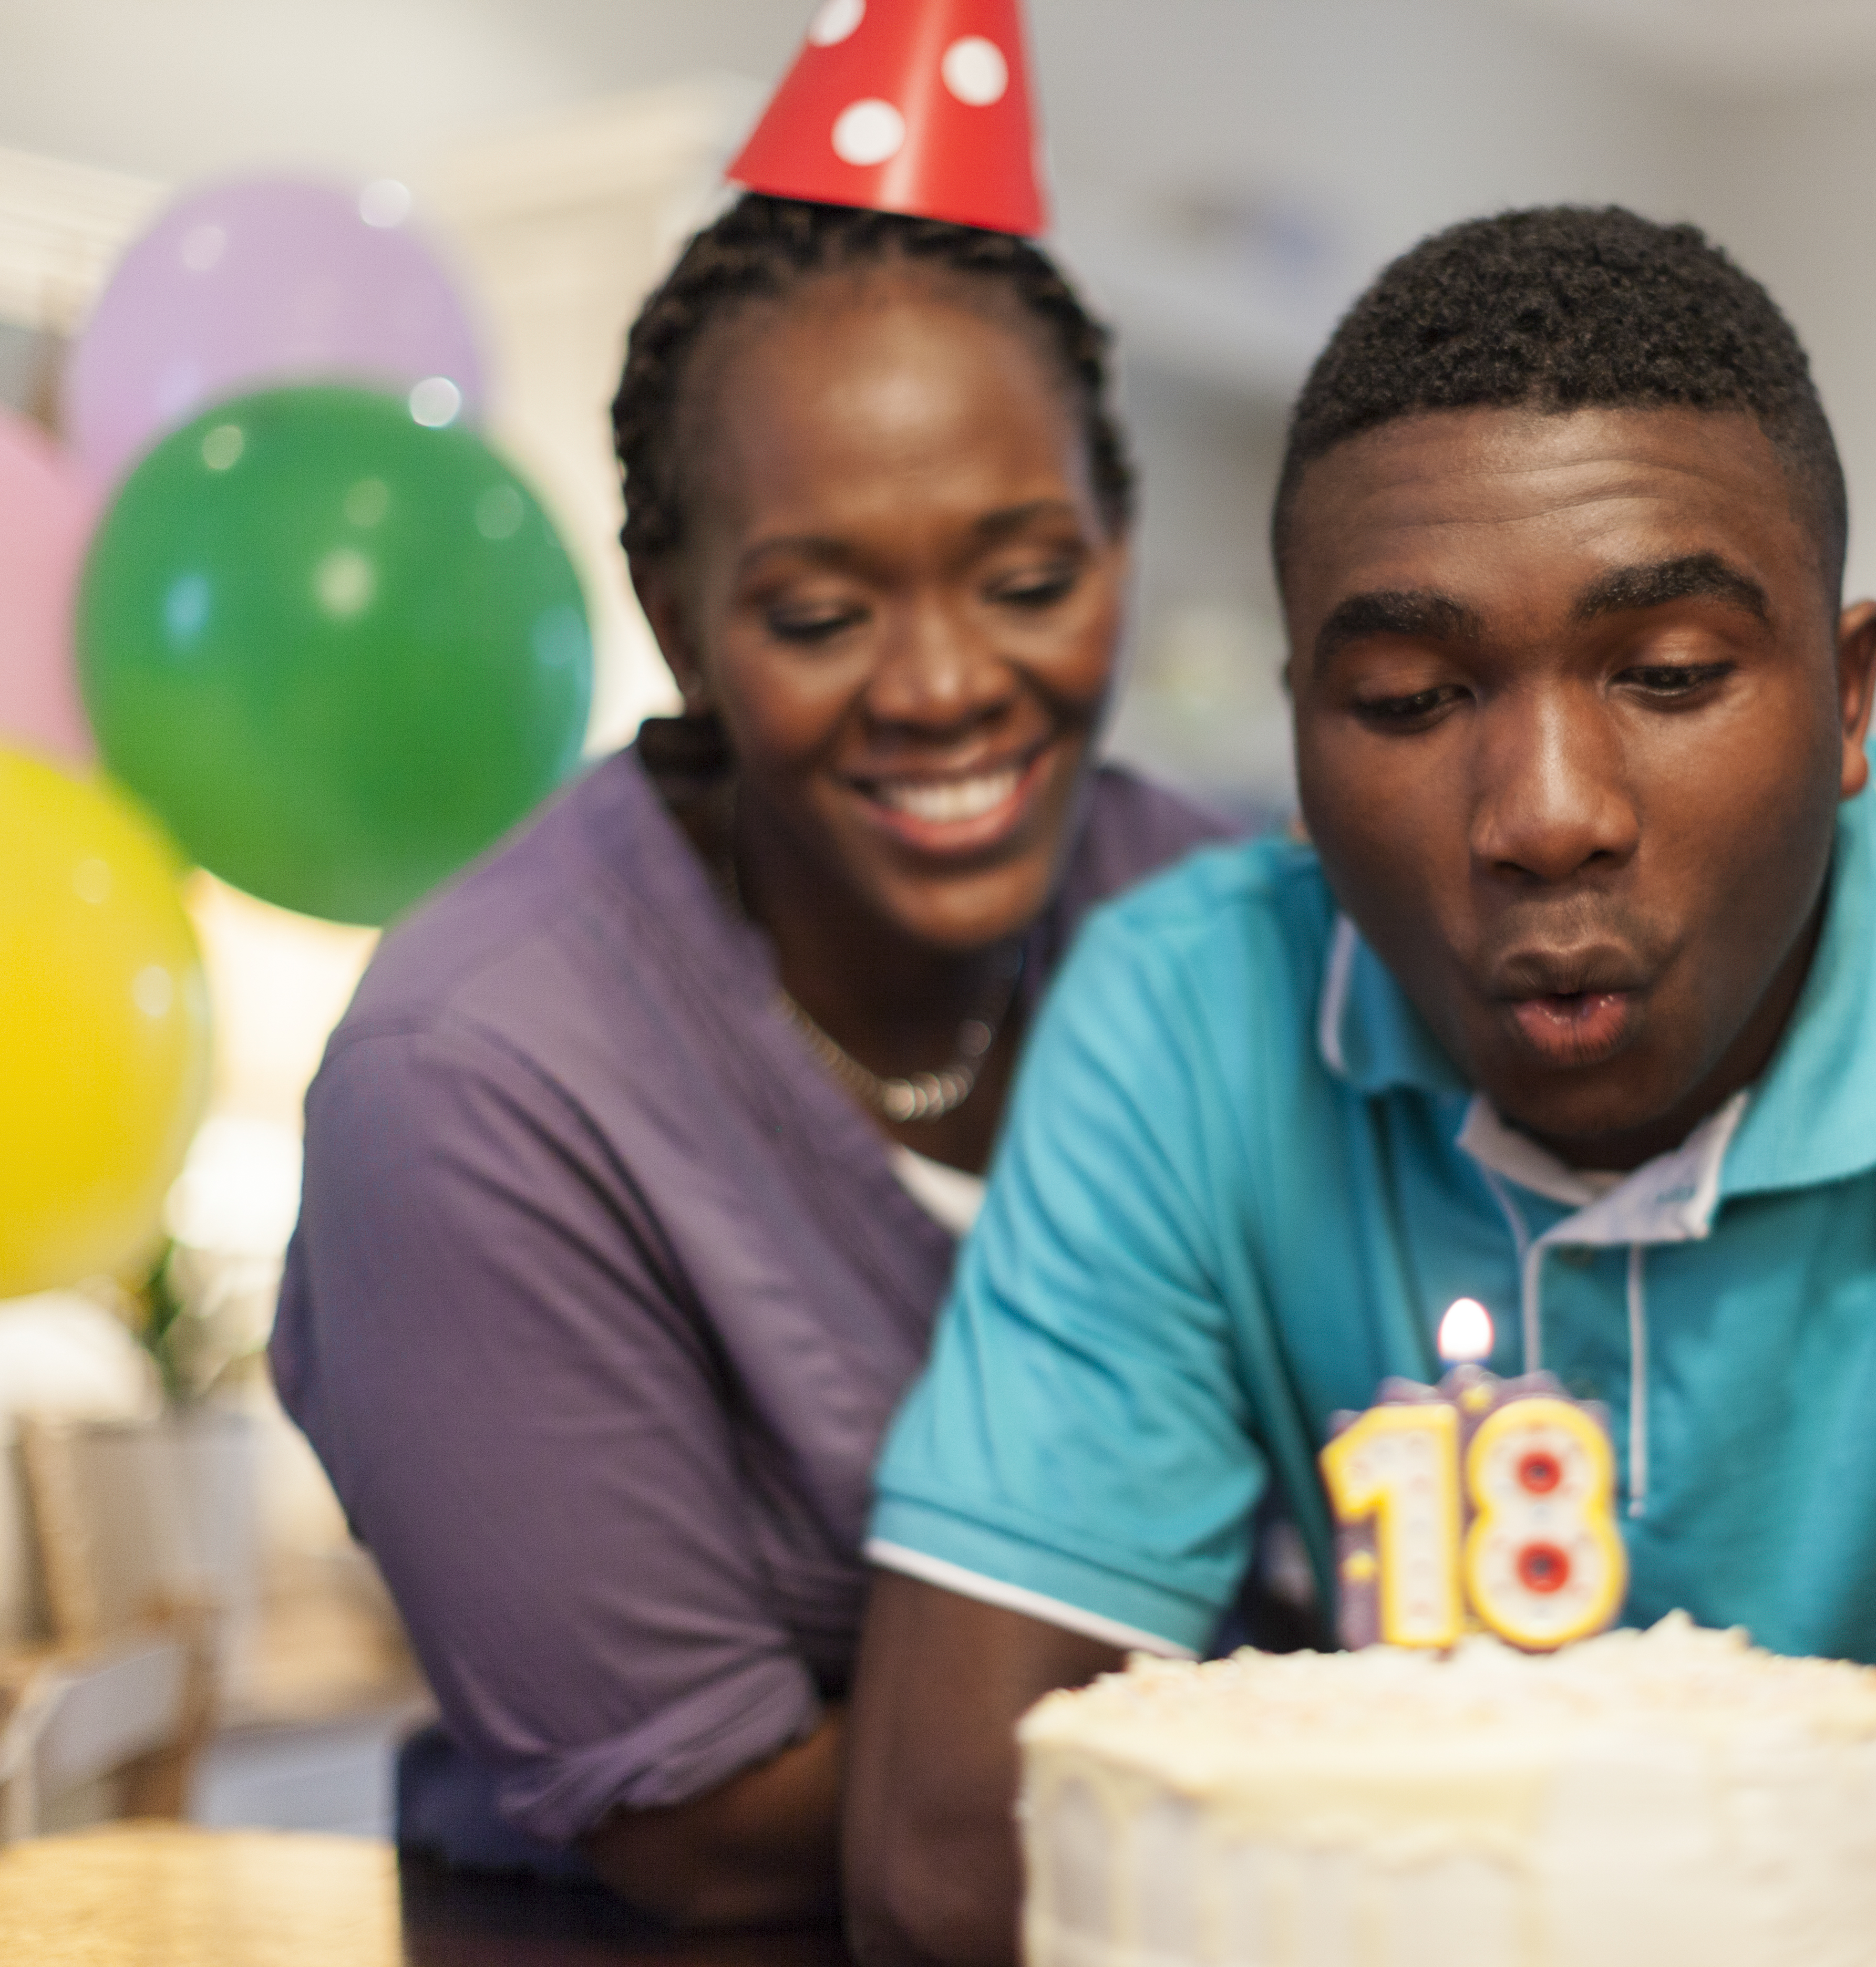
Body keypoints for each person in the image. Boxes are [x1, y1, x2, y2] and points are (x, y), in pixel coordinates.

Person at [841, 205, 1876, 1967]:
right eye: (1406, 695)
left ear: (1847, 699)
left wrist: (1371, 1887)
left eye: (1670, 675)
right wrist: (1867, 1844)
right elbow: (944, 1847)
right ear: (1298, 742)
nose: (1546, 812)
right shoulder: (1180, 1005)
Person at [269, 190, 1233, 1926]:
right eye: (817, 614)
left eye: (1027, 579)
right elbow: (705, 1831)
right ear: (675, 617)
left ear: (1120, 541)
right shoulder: (476, 1079)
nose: (945, 684)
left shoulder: (1224, 916)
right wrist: (1329, 1730)